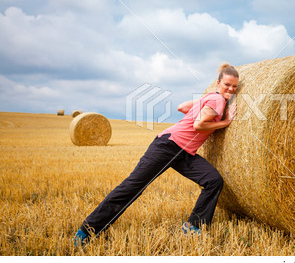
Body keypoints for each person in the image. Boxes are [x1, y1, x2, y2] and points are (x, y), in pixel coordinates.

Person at [74, 63, 239, 247]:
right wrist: (225, 122)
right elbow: (198, 125)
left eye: (234, 86)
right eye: (227, 85)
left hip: (184, 152)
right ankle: (87, 230)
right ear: (218, 83)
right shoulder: (219, 101)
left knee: (213, 180)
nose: (231, 89)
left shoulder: (210, 97)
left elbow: (181, 107)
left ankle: (194, 226)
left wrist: (200, 106)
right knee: (132, 187)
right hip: (168, 147)